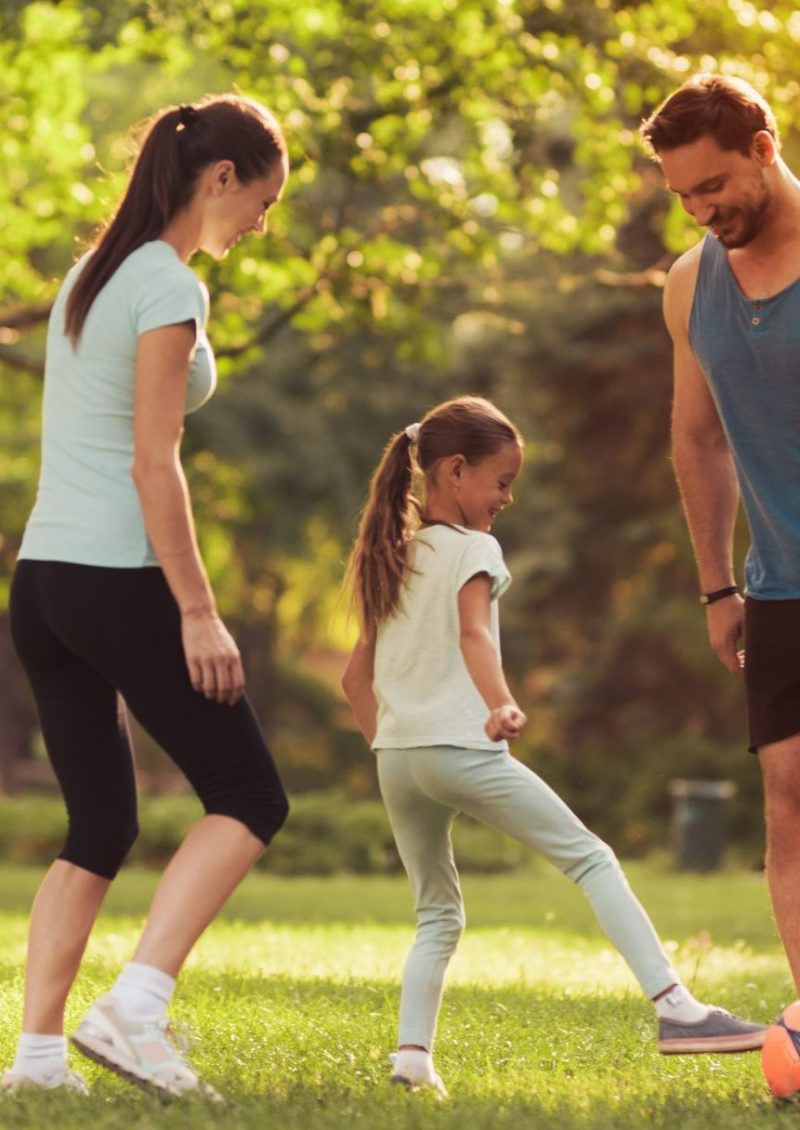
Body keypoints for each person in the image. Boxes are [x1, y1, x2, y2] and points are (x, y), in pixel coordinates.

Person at [340, 395, 766, 1096]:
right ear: (453, 471)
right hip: (460, 748)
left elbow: (357, 676)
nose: (507, 498)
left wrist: (394, 748)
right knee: (591, 858)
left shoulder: (396, 554)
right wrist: (500, 701)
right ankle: (678, 1010)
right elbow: (474, 632)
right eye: (501, 481)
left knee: (437, 915)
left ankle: (411, 1061)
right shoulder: (475, 549)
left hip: (400, 759)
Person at [1, 95, 290, 1098]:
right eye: (260, 201)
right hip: (114, 579)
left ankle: (37, 1060)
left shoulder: (97, 272)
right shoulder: (164, 284)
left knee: (100, 825)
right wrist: (198, 610)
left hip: (41, 584)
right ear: (219, 180)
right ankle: (134, 1006)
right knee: (251, 794)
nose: (262, 223)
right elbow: (154, 461)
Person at [640, 75, 800, 993]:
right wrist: (716, 586)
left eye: (713, 187)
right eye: (682, 196)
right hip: (778, 588)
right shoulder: (691, 284)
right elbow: (697, 437)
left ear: (764, 150)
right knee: (788, 805)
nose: (701, 211)